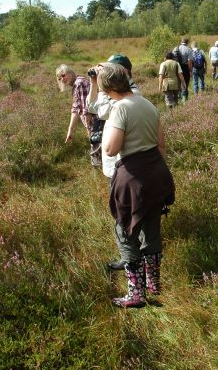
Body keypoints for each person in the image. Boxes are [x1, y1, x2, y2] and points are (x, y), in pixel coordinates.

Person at [100, 63, 175, 308]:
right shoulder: (149, 105)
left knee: (125, 233)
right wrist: (157, 173)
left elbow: (111, 148)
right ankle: (153, 283)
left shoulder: (120, 108)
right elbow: (161, 145)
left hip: (132, 177)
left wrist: (105, 135)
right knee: (151, 230)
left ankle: (136, 295)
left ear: (107, 86)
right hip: (157, 173)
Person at [86, 54, 144, 272]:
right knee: (122, 211)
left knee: (128, 212)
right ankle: (130, 254)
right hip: (115, 165)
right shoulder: (115, 93)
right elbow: (92, 106)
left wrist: (102, 87)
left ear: (124, 72)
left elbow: (103, 110)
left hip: (126, 164)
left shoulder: (133, 93)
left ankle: (133, 258)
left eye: (111, 71)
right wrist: (95, 82)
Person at [55, 64, 102, 167]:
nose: (62, 79)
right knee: (98, 151)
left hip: (96, 122)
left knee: (97, 155)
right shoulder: (77, 84)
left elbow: (87, 109)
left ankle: (101, 177)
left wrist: (89, 128)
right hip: (94, 123)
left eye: (63, 75)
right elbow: (76, 108)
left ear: (70, 72)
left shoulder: (79, 82)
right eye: (59, 78)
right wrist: (70, 130)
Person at [173, 37, 193, 101]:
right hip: (185, 68)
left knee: (178, 82)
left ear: (181, 42)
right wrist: (190, 70)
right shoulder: (189, 49)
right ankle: (184, 99)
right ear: (187, 42)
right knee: (185, 83)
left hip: (177, 67)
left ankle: (178, 98)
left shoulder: (176, 48)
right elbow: (189, 61)